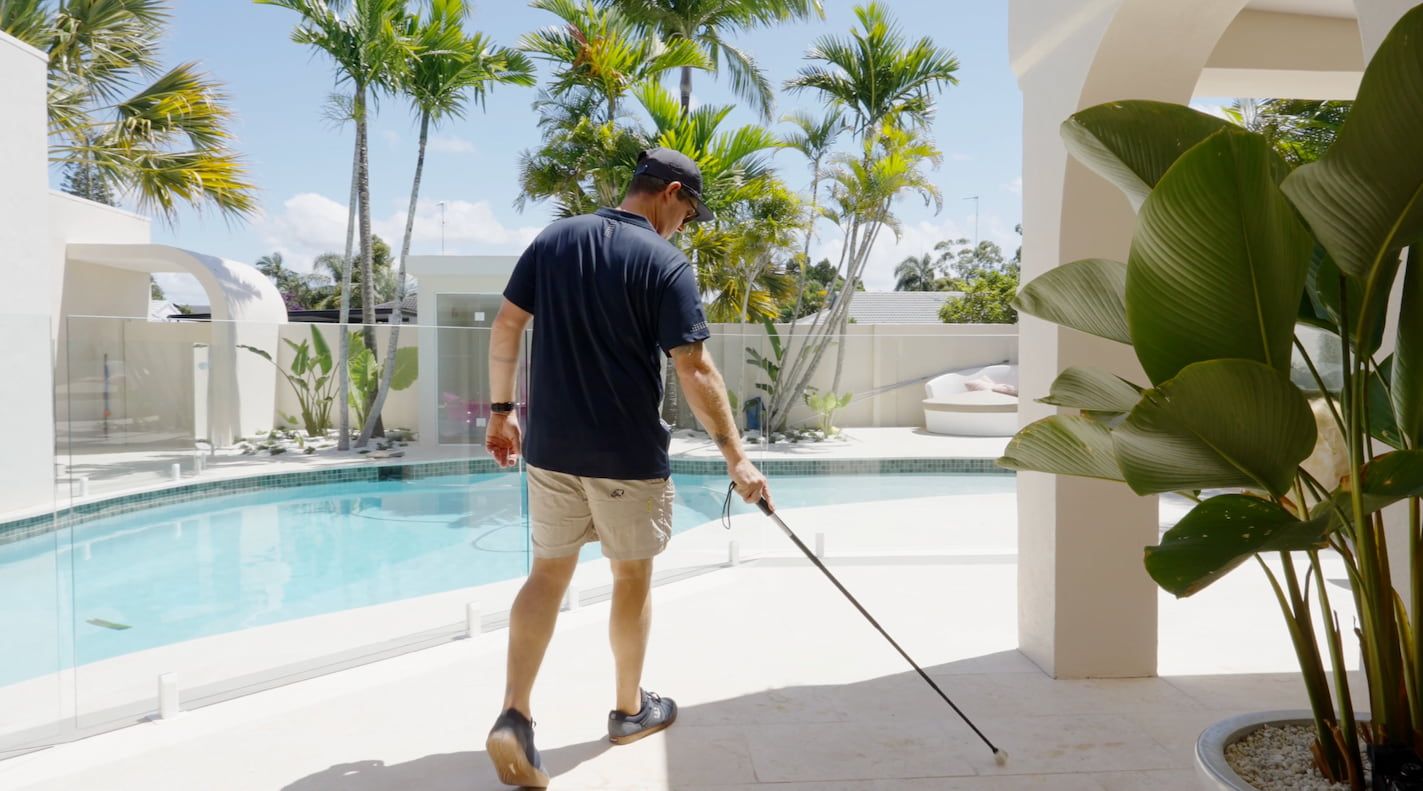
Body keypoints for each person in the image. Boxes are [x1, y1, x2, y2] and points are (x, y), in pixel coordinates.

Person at [482, 148, 772, 788]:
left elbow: (507, 325)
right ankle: (629, 708)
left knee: (548, 575)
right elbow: (694, 369)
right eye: (689, 212)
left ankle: (514, 714)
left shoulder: (555, 240)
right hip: (626, 455)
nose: (685, 226)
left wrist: (502, 413)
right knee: (630, 576)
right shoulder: (666, 264)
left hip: (552, 449)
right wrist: (737, 456)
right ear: (670, 192)